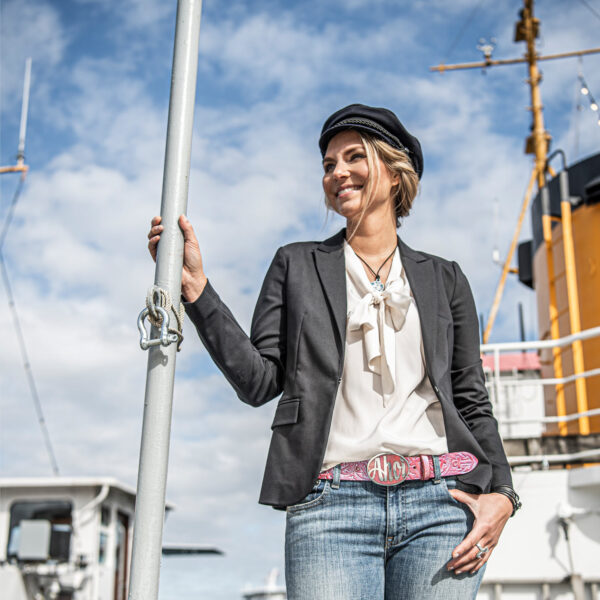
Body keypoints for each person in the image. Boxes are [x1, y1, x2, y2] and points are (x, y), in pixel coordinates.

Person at [147, 104, 520, 599]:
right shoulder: (295, 264)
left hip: (441, 504)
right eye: (328, 165)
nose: (337, 172)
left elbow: (472, 399)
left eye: (352, 157)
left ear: (394, 171)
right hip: (330, 506)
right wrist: (198, 290)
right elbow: (259, 381)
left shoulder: (445, 278)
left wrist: (503, 496)